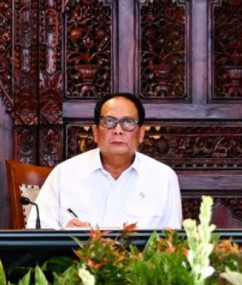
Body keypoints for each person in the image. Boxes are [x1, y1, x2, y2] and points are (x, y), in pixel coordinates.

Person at [35, 92, 182, 230]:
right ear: (95, 132)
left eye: (128, 122)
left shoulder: (164, 178)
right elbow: (37, 233)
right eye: (109, 121)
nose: (118, 130)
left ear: (141, 133)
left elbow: (173, 244)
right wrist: (65, 235)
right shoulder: (64, 174)